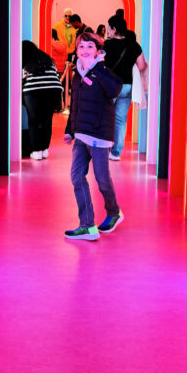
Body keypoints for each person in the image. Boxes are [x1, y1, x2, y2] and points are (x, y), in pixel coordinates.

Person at [62, 31, 124, 241]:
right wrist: (70, 131)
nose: (85, 50)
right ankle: (87, 225)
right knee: (77, 177)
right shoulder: (77, 74)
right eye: (81, 47)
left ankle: (114, 212)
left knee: (102, 179)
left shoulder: (102, 70)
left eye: (90, 47)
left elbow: (116, 89)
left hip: (99, 135)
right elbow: (75, 104)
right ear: (77, 52)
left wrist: (95, 68)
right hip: (81, 135)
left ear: (98, 51)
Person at [102, 8, 148, 161]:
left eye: (108, 27)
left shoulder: (107, 45)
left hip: (110, 87)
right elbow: (141, 66)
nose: (107, 30)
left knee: (105, 117)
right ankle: (116, 153)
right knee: (121, 120)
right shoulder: (134, 45)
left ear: (114, 29)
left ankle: (104, 148)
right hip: (127, 87)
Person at [22, 40, 62, 159]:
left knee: (33, 121)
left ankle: (36, 151)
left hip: (34, 92)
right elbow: (55, 75)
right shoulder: (47, 59)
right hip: (54, 91)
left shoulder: (26, 61)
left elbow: (22, 78)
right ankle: (45, 150)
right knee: (47, 120)